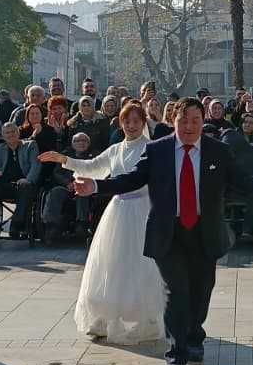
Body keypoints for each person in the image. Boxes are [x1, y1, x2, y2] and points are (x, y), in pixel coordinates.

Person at [70, 97, 253, 365]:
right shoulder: (158, 150)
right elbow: (131, 179)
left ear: (203, 122)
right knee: (175, 293)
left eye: (195, 121)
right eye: (183, 121)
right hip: (169, 232)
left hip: (204, 231)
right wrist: (96, 185)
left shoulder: (217, 151)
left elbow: (242, 179)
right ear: (173, 121)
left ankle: (194, 336)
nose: (189, 127)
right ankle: (176, 356)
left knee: (201, 291)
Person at [43, 100, 164, 343]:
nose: (131, 126)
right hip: (118, 210)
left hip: (142, 210)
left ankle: (146, 318)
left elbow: (137, 180)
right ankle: (106, 315)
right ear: (121, 123)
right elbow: (93, 166)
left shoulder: (151, 148)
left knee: (141, 263)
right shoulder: (115, 149)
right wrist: (64, 159)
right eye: (127, 121)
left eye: (136, 121)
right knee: (111, 261)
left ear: (143, 123)